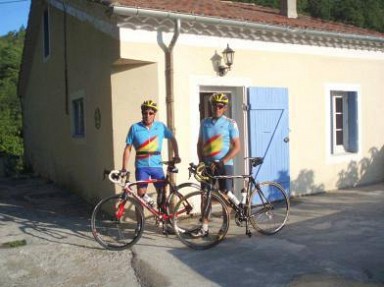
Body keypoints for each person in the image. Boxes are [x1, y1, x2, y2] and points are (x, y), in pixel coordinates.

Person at [121, 100, 181, 213]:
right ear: (142, 113)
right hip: (141, 166)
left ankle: (164, 222)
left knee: (162, 195)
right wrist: (124, 167)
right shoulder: (135, 128)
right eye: (145, 113)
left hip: (157, 165)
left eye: (150, 113)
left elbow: (172, 139)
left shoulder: (160, 127)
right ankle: (140, 225)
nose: (147, 115)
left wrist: (176, 155)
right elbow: (128, 148)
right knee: (140, 196)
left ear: (154, 114)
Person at [195, 93, 241, 237]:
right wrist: (201, 162)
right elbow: (199, 144)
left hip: (224, 164)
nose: (217, 108)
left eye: (220, 106)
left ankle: (224, 226)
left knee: (224, 195)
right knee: (205, 195)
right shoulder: (204, 122)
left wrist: (223, 161)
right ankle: (204, 228)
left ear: (225, 108)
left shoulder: (230, 123)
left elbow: (236, 147)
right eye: (215, 105)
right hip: (208, 165)